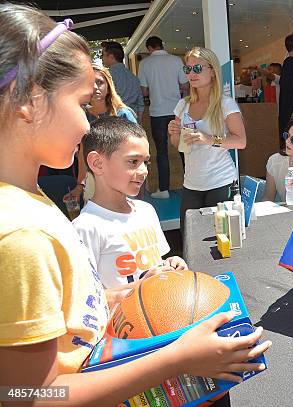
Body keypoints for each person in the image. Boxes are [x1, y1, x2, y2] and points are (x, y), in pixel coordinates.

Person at [0, 5, 269, 404]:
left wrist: (118, 297)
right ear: (30, 101)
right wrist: (176, 359)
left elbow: (64, 320)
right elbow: (25, 394)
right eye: (79, 103)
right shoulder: (22, 233)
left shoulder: (28, 201)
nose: (89, 126)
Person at [73, 117, 188, 289]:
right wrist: (140, 286)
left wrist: (170, 264)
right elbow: (86, 298)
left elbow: (154, 264)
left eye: (146, 162)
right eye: (133, 162)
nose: (143, 171)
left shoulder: (146, 211)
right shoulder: (86, 227)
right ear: (97, 163)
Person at [167, 47, 247, 236]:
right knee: (189, 238)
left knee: (221, 239)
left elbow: (241, 141)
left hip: (221, 182)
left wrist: (208, 139)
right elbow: (178, 145)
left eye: (197, 68)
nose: (192, 74)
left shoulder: (225, 104)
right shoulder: (183, 105)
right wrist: (174, 134)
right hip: (191, 184)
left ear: (212, 70)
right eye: (188, 69)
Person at [64, 64, 137, 202]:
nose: (95, 87)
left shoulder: (122, 114)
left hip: (123, 179)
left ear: (108, 86)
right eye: (90, 83)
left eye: (100, 82)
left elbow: (138, 151)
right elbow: (82, 153)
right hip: (93, 182)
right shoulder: (81, 116)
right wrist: (80, 185)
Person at [139, 36, 189, 199]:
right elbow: (184, 85)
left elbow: (144, 91)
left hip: (157, 112)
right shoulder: (176, 60)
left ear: (149, 48)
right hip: (177, 110)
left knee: (161, 152)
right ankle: (191, 185)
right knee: (184, 148)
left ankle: (163, 189)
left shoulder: (145, 64)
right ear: (162, 45)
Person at [101, 40, 145, 123]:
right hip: (132, 122)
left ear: (111, 56)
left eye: (102, 55)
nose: (101, 58)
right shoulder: (134, 78)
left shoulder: (106, 76)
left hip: (113, 122)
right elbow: (140, 104)